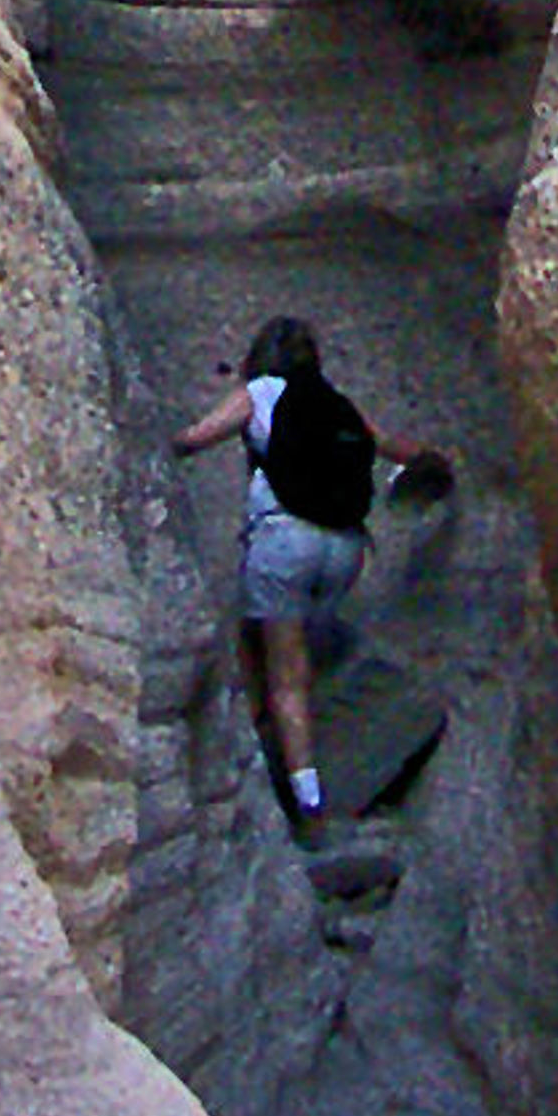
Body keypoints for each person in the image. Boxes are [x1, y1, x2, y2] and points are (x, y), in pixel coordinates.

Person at [172, 315, 446, 822]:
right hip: (344, 550)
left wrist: (161, 445)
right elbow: (400, 448)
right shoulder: (335, 403)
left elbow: (195, 438)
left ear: (258, 358)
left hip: (286, 543)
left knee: (286, 674)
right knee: (265, 637)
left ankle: (305, 800)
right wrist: (437, 463)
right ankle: (287, 753)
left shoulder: (258, 393)